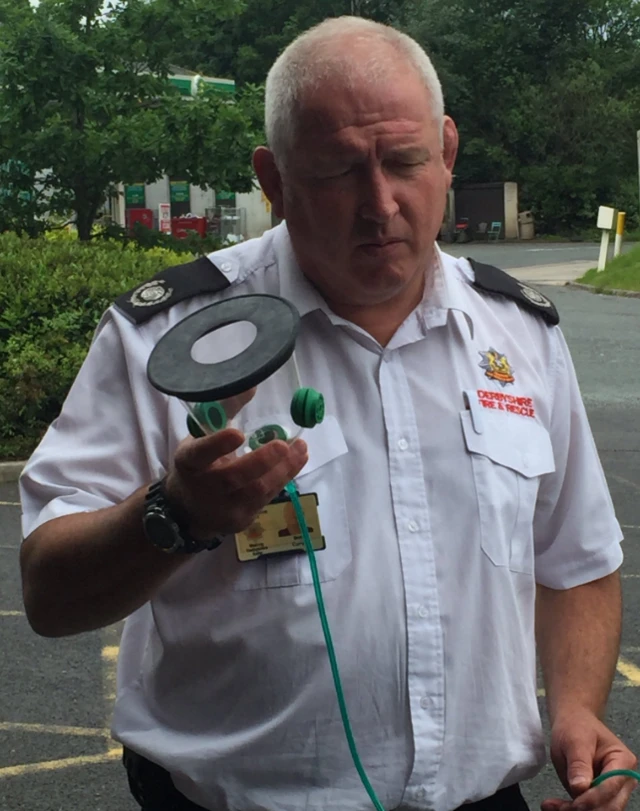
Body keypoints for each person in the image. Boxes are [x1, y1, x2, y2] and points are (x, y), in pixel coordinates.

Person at [18, 15, 637, 811]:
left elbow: (578, 558)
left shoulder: (519, 332)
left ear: (447, 153)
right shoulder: (168, 339)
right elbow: (48, 593)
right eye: (337, 172)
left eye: (405, 162)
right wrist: (172, 514)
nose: (380, 205)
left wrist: (581, 707)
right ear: (272, 179)